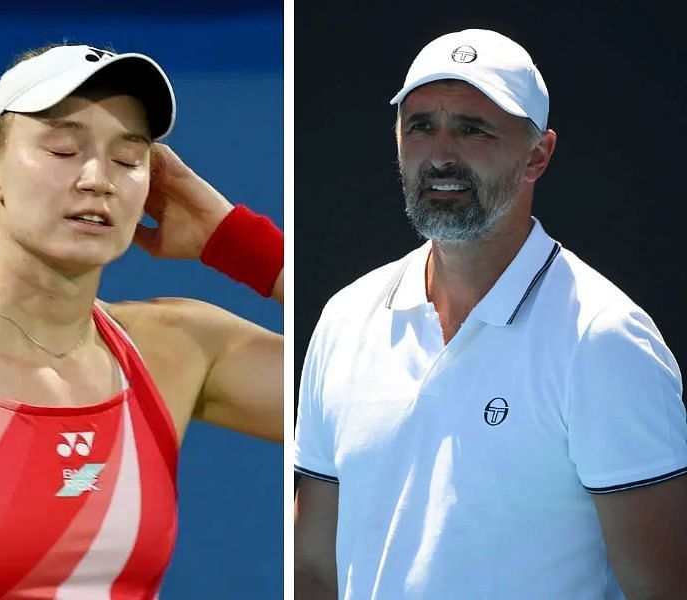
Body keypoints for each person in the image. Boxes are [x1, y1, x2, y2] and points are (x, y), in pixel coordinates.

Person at [294, 29, 687, 599]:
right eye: (421, 126)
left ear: (537, 156)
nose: (442, 154)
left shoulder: (605, 338)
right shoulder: (344, 318)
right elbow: (312, 571)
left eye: (474, 129)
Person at [0, 44, 284, 597]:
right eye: (63, 148)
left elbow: (372, 382)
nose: (99, 178)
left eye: (128, 160)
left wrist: (237, 242)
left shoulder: (181, 348)